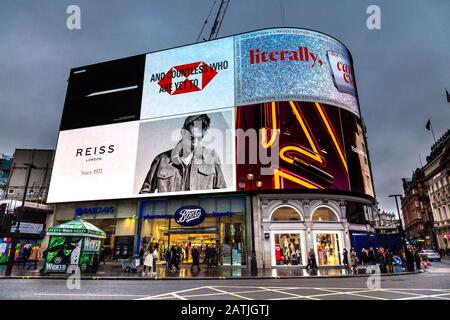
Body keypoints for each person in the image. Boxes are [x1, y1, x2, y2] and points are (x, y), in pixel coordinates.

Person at [139, 114, 227, 194]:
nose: (195, 142)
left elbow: (222, 195)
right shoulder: (161, 160)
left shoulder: (212, 158)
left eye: (200, 138)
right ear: (183, 132)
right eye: (192, 138)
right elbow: (144, 193)